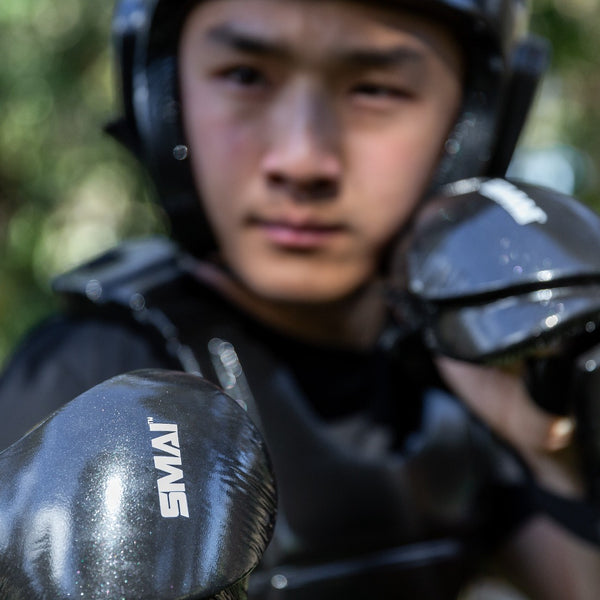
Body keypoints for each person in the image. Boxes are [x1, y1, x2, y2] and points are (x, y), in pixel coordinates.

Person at [1, 0, 599, 598]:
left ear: (474, 120)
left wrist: (547, 452)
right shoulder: (92, 380)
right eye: (246, 76)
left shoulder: (458, 367)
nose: (302, 159)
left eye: (374, 88)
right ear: (163, 97)